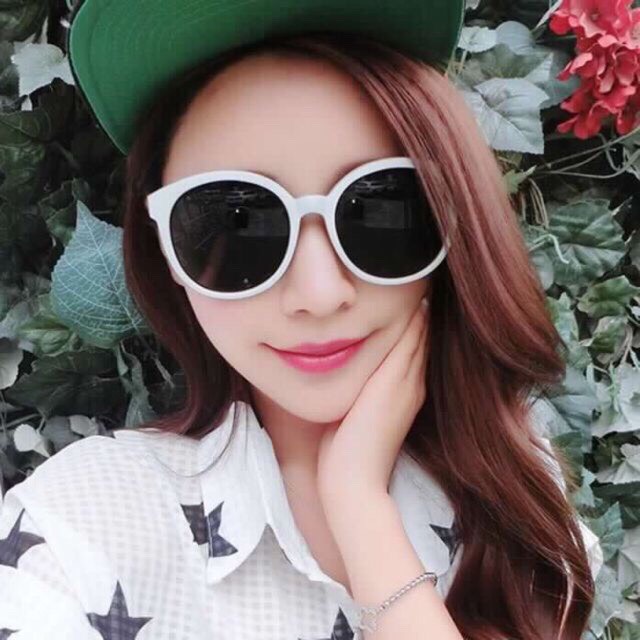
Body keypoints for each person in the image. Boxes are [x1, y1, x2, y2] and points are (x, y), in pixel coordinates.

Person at [0, 1, 603, 638]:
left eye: (376, 210)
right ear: (165, 252)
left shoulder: (517, 505)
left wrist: (361, 510)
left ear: (454, 219)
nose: (318, 293)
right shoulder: (75, 529)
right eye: (236, 221)